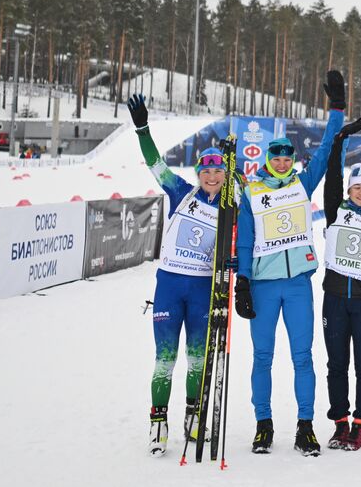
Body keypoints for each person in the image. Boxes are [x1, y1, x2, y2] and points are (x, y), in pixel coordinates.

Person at [233, 71, 348, 456]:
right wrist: (243, 282)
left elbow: (328, 147)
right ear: (268, 159)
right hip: (264, 285)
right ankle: (263, 425)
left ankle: (305, 426)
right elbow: (245, 242)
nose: (282, 162)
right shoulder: (253, 191)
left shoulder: (303, 182)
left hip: (298, 283)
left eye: (287, 158)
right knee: (262, 357)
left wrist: (337, 110)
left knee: (303, 357)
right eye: (276, 157)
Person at [127, 93, 228, 456]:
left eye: (218, 171)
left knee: (198, 358)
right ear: (198, 174)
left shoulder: (232, 207)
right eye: (206, 171)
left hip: (202, 288)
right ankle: (158, 421)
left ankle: (192, 413)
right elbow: (155, 163)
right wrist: (142, 129)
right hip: (170, 284)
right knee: (165, 358)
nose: (212, 176)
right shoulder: (181, 192)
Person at [320, 115, 361, 450]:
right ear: (350, 190)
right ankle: (339, 423)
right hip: (334, 298)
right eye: (357, 187)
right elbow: (331, 177)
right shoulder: (336, 211)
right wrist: (340, 140)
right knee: (336, 364)